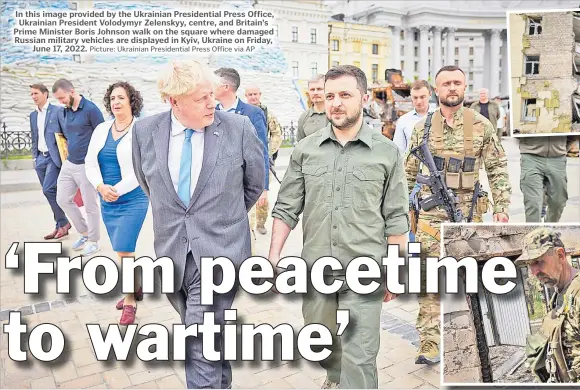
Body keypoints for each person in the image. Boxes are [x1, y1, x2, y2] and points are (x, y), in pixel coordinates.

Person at [269, 65, 410, 389]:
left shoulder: (386, 153)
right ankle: (334, 375)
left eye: (344, 95)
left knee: (359, 356)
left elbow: (396, 218)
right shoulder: (306, 150)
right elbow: (287, 207)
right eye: (330, 95)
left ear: (363, 98)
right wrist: (274, 259)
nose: (335, 102)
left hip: (365, 270)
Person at [131, 60, 265, 389]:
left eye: (211, 95)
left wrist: (220, 219)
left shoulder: (238, 128)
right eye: (201, 98)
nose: (212, 103)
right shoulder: (145, 131)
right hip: (174, 255)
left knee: (198, 341)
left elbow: (254, 185)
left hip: (221, 254)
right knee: (208, 337)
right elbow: (151, 187)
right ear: (173, 100)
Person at [405, 65, 511, 365]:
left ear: (464, 88)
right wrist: (401, 211)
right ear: (436, 90)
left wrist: (502, 209)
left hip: (468, 215)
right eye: (446, 84)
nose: (452, 88)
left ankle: (472, 339)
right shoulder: (421, 129)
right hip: (430, 217)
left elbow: (497, 168)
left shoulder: (480, 125)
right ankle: (429, 342)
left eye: (457, 83)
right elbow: (408, 173)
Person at [85, 81, 149, 325]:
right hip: (107, 198)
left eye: (121, 97)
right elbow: (89, 163)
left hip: (133, 198)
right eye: (112, 98)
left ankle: (130, 302)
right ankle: (136, 286)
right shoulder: (101, 129)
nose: (116, 102)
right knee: (121, 250)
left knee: (124, 249)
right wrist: (101, 187)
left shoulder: (141, 129)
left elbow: (142, 168)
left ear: (131, 101)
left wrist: (118, 190)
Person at [214, 68, 269, 252]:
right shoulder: (210, 112)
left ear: (226, 87)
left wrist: (264, 188)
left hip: (243, 186)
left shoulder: (252, 113)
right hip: (215, 188)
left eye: (213, 83)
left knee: (245, 232)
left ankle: (249, 272)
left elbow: (262, 152)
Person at [517, 227, 579, 383]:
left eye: (538, 262)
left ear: (560, 255)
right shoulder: (559, 293)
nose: (534, 272)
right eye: (529, 265)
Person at [53, 79, 104, 256]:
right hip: (70, 163)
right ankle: (84, 232)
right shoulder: (66, 111)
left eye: (62, 97)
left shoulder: (91, 109)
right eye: (58, 99)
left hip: (87, 165)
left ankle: (94, 240)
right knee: (62, 199)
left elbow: (103, 135)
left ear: (72, 91)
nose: (61, 102)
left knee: (90, 205)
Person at [29, 83, 71, 240]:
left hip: (54, 158)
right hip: (40, 158)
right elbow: (34, 136)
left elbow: (66, 134)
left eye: (36, 93)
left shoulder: (57, 111)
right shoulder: (33, 115)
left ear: (45, 94)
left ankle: (63, 223)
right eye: (31, 94)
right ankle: (60, 225)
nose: (33, 97)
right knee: (50, 192)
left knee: (48, 189)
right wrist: (35, 157)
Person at [244, 84, 283, 235]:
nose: (253, 97)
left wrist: (268, 152)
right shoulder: (242, 113)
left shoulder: (268, 114)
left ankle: (261, 222)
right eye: (250, 94)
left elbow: (276, 134)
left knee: (262, 195)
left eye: (255, 94)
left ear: (260, 95)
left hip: (263, 159)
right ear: (246, 96)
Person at [518, 136, 568, 222]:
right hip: (531, 156)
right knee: (533, 204)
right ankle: (534, 233)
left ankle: (549, 230)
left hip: (558, 158)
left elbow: (574, 132)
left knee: (558, 203)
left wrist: (561, 146)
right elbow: (516, 127)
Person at [392, 80, 434, 156]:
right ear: (411, 96)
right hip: (411, 166)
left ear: (430, 94)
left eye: (422, 97)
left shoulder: (439, 117)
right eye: (415, 97)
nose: (418, 101)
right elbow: (398, 151)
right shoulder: (403, 121)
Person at [296, 73, 329, 142]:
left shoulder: (336, 114)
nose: (315, 93)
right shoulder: (304, 117)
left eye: (319, 89)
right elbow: (300, 145)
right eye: (312, 89)